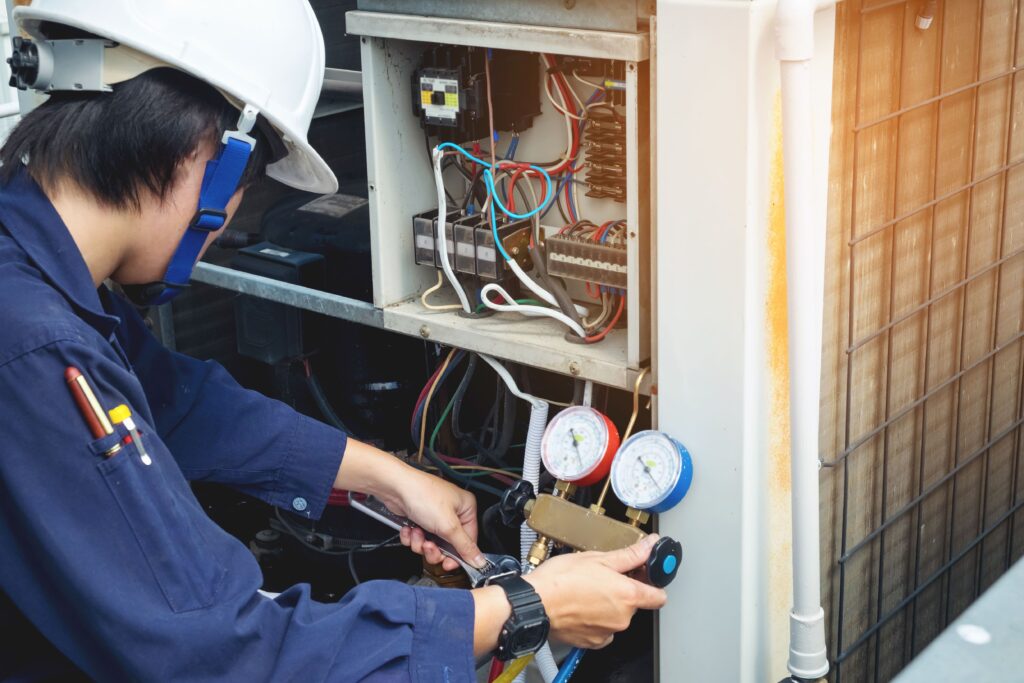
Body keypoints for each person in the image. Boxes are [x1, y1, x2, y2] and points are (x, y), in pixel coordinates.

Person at [0, 1, 667, 681]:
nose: (229, 222)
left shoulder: (36, 278)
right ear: (211, 148)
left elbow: (179, 401)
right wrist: (525, 608)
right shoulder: (36, 348)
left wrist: (391, 477)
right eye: (253, 178)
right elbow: (226, 653)